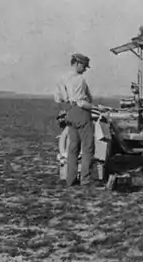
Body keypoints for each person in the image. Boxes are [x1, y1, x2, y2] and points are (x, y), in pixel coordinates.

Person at [54, 53, 104, 187]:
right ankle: (85, 179)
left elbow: (58, 98)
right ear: (78, 64)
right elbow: (84, 101)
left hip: (69, 113)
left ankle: (70, 179)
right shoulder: (80, 80)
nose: (85, 69)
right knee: (87, 147)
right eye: (84, 66)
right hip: (81, 113)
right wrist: (96, 107)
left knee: (72, 148)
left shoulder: (62, 78)